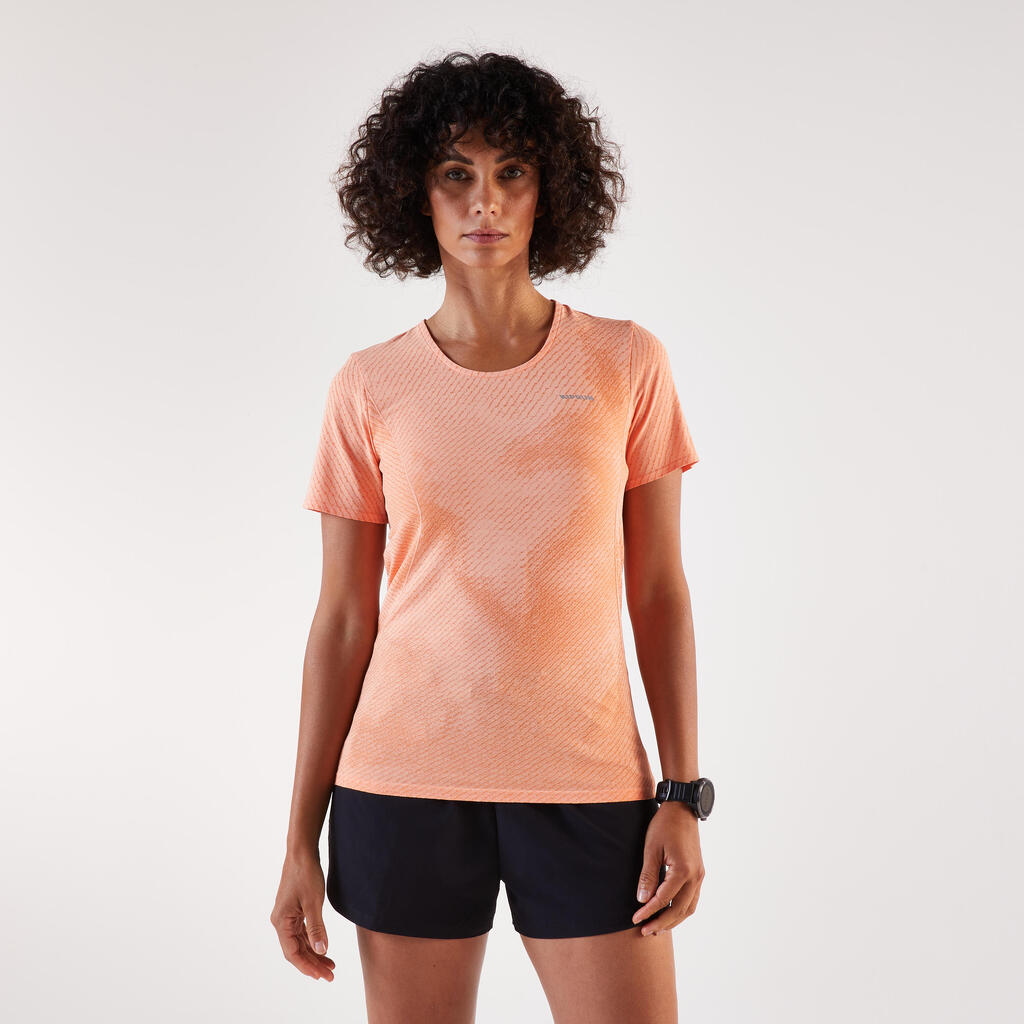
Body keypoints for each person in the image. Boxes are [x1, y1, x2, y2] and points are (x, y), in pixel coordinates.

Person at [270, 50, 710, 1024]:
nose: (485, 201)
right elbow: (342, 619)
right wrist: (298, 836)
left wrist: (681, 790)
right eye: (455, 173)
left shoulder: (626, 362)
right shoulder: (369, 385)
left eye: (512, 171)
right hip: (400, 782)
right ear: (413, 192)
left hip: (590, 780)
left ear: (550, 188)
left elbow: (659, 591)